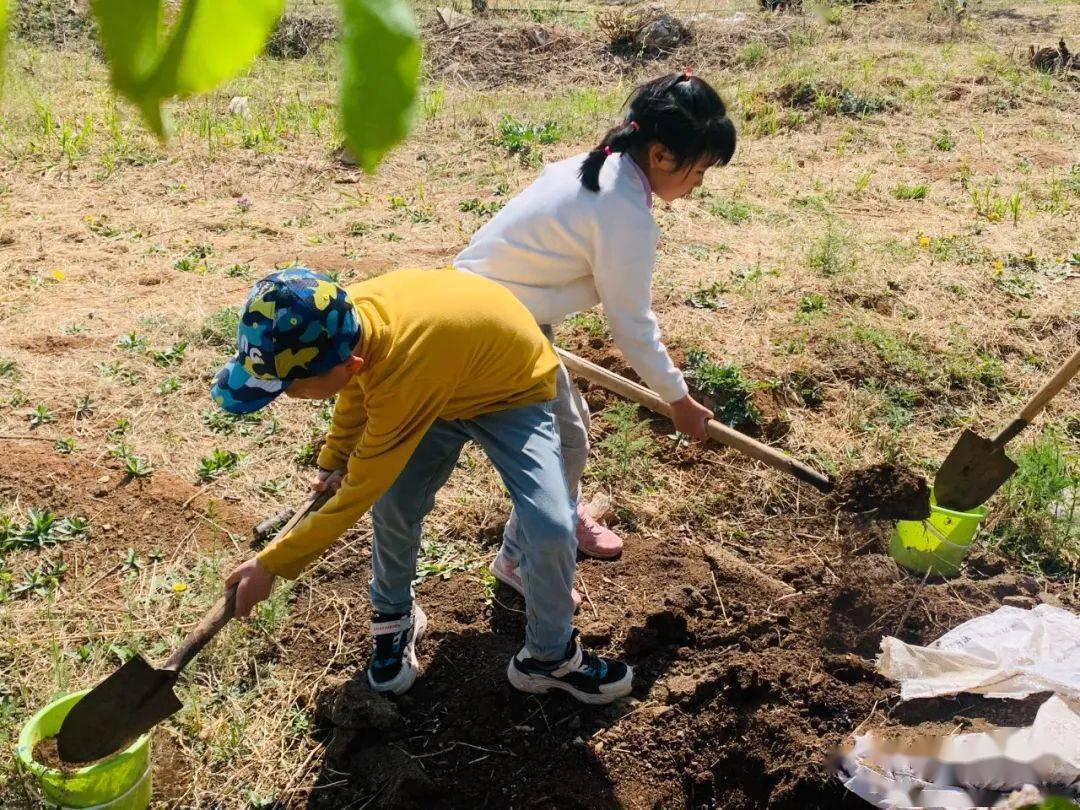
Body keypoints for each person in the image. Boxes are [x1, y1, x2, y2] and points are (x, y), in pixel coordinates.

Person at [214, 266, 632, 704]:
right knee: (397, 504)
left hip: (511, 387)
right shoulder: (337, 318)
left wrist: (272, 564)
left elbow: (360, 489)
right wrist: (334, 458)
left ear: (346, 363)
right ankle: (395, 615)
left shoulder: (399, 370)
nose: (285, 396)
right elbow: (357, 387)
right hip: (441, 377)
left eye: (288, 388)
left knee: (550, 526)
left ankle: (549, 658)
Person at [455, 71, 737, 591]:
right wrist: (678, 398)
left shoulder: (600, 166)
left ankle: (559, 512)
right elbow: (630, 323)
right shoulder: (621, 211)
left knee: (572, 425)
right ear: (660, 154)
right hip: (490, 325)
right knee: (563, 439)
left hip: (501, 308)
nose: (699, 182)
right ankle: (519, 559)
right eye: (699, 169)